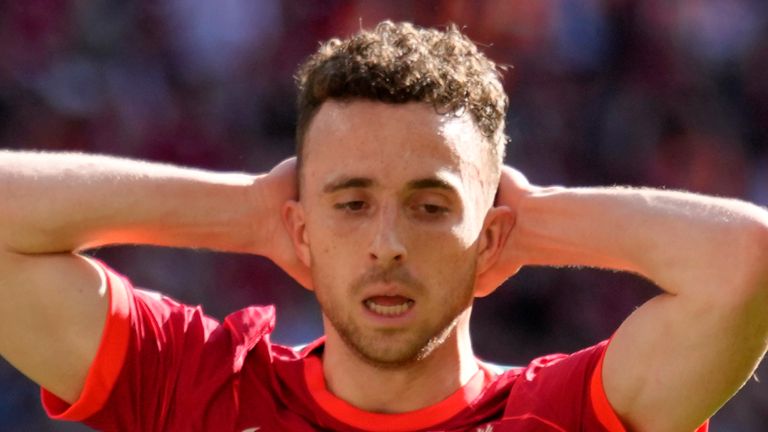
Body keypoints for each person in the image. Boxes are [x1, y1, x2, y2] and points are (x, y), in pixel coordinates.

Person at [1, 20, 766, 432]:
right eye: (352, 201)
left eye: (431, 207)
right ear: (300, 230)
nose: (388, 243)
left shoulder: (564, 416)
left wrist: (531, 221)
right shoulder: (203, 389)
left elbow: (746, 265)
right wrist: (243, 213)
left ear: (491, 235)